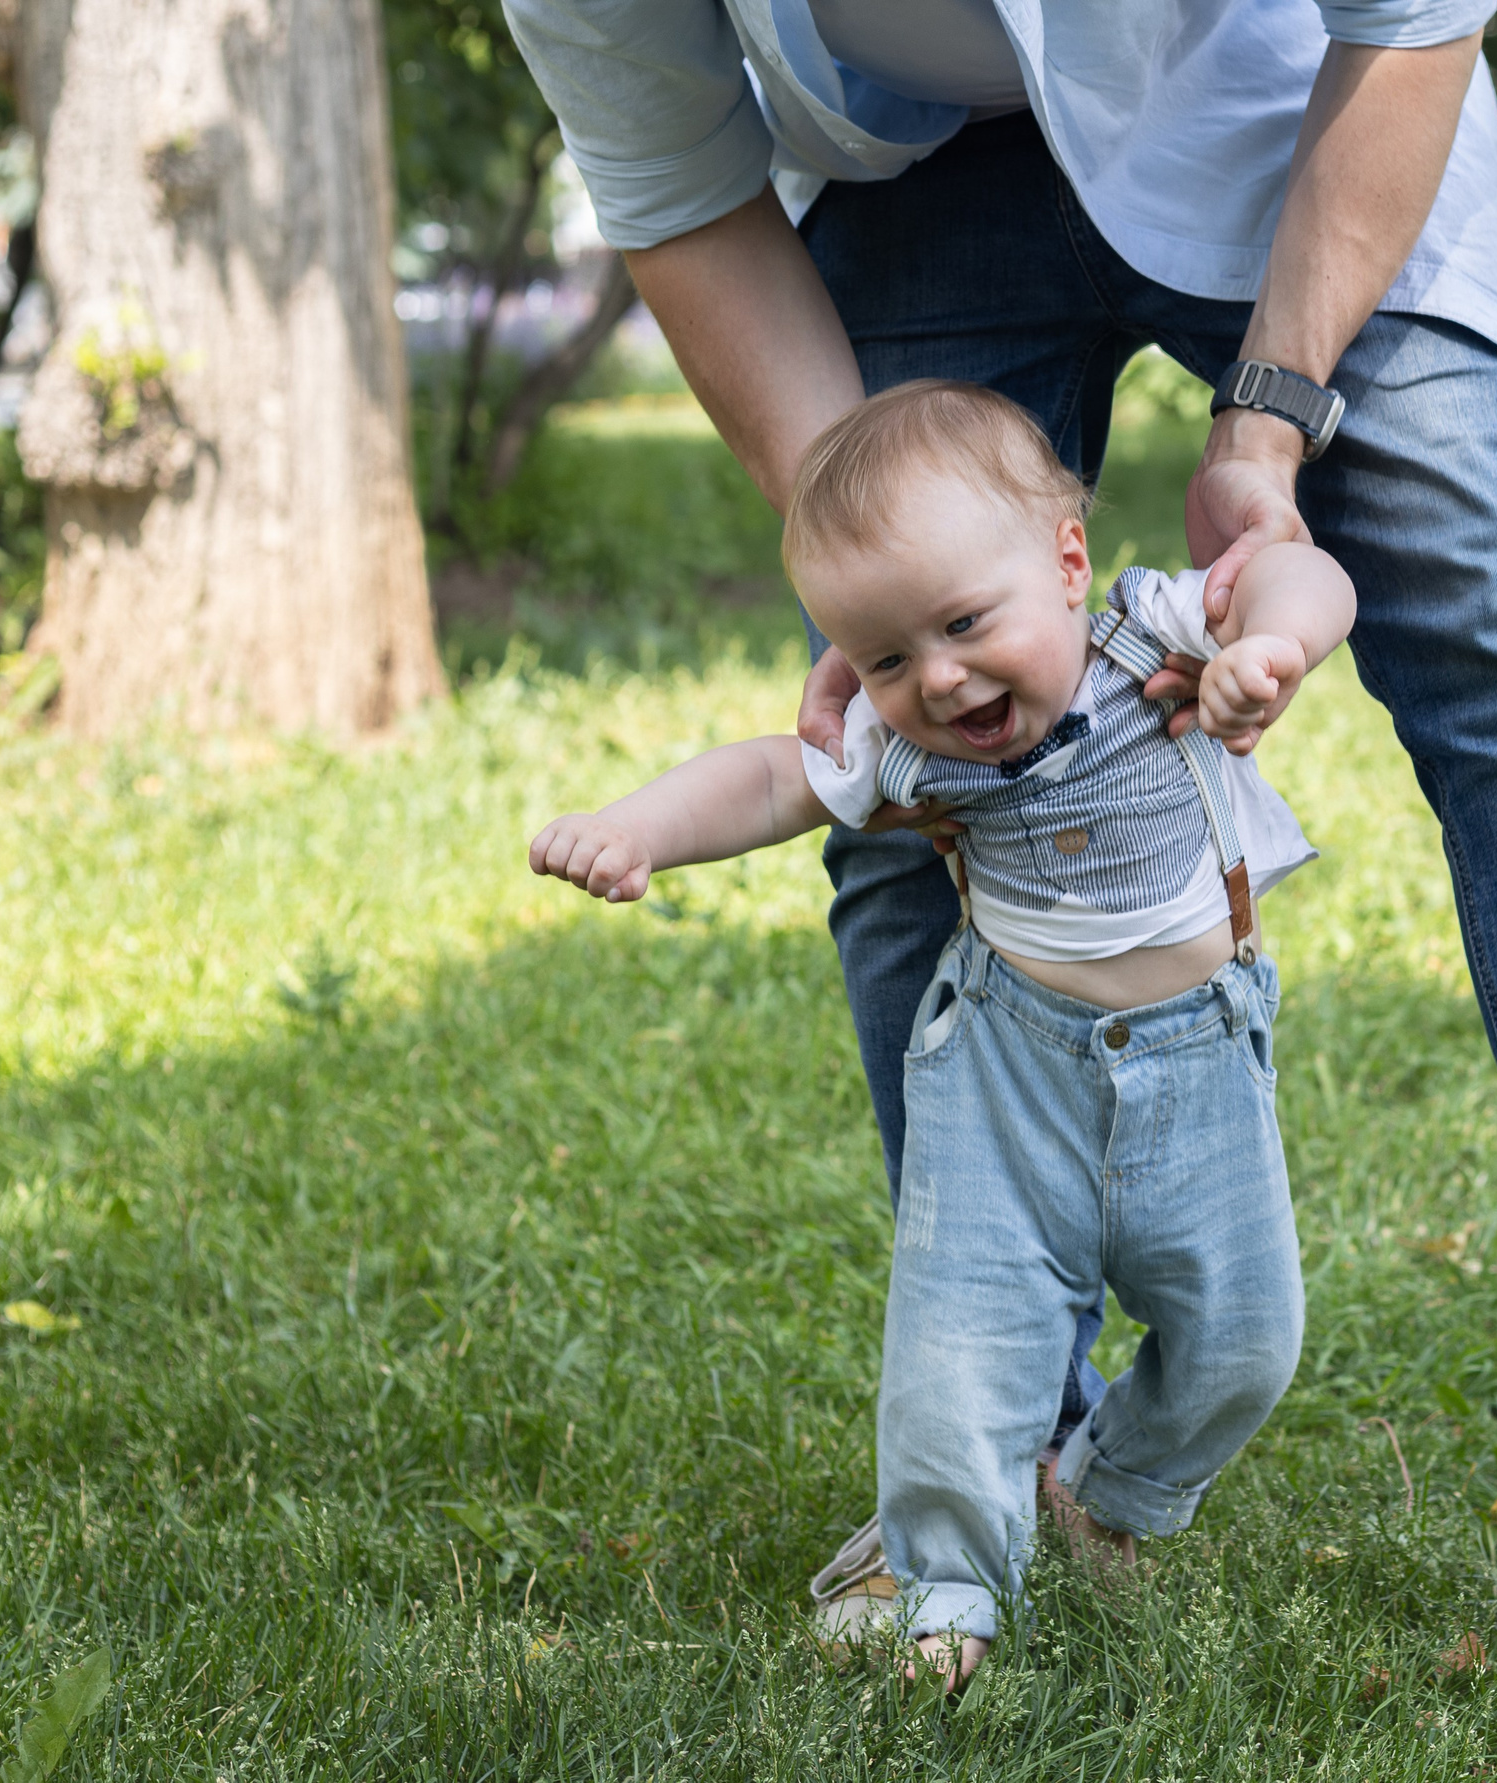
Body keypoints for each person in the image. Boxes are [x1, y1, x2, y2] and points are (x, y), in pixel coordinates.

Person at [504, 0, 1497, 1737]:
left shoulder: (1152, 616)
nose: (942, 672)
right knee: (911, 803)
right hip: (913, 172)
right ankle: (1012, 1454)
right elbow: (680, 183)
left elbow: (1413, 24)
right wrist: (874, 586)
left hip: (1302, 104)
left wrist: (1271, 444)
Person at [529, 382, 1356, 1689]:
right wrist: (638, 828)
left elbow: (1301, 577)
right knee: (960, 1341)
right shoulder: (905, 745)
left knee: (1246, 1340)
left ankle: (1106, 1489)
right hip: (1004, 1066)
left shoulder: (1149, 635)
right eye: (886, 659)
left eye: (967, 624)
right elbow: (773, 774)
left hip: (1199, 1055)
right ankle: (945, 1589)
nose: (940, 678)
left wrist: (1277, 645)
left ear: (1068, 564)